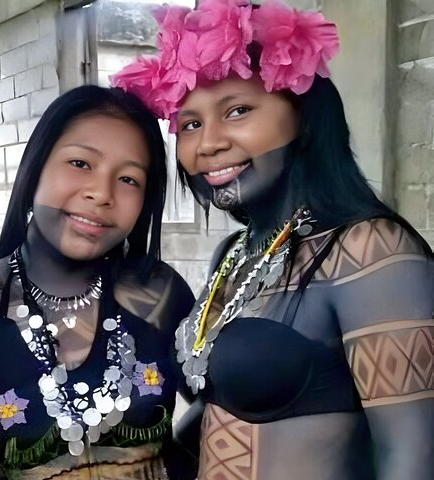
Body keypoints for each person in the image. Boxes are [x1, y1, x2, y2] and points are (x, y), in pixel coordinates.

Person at [112, 1, 433, 479]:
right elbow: (220, 409)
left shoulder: (370, 251)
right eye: (191, 124)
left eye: (238, 110)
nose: (208, 143)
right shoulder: (235, 255)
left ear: (302, 116)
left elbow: (411, 456)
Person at [0, 85, 195, 479]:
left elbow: (230, 401)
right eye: (81, 164)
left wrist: (174, 461)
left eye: (128, 179)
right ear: (35, 168)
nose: (101, 193)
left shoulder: (159, 294)